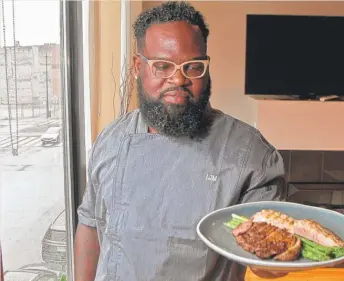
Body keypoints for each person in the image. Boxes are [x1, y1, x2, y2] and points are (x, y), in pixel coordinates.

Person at [74, 1, 287, 280]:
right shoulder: (112, 139)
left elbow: (270, 265)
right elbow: (90, 225)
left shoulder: (251, 155)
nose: (178, 79)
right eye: (162, 66)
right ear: (138, 66)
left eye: (193, 67)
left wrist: (276, 255)